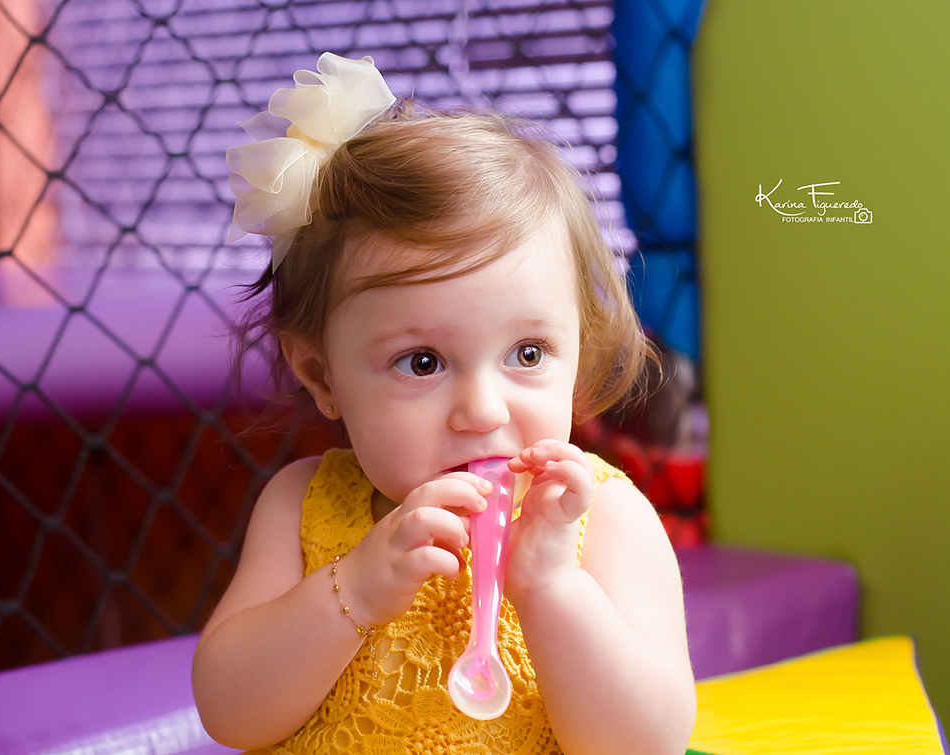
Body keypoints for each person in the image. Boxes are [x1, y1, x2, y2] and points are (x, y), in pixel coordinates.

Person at [191, 53, 696, 754]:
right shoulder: (304, 507)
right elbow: (228, 710)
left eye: (527, 353)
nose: (484, 409)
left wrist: (550, 588)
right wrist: (352, 593)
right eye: (422, 362)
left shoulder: (602, 518)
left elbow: (650, 743)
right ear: (322, 374)